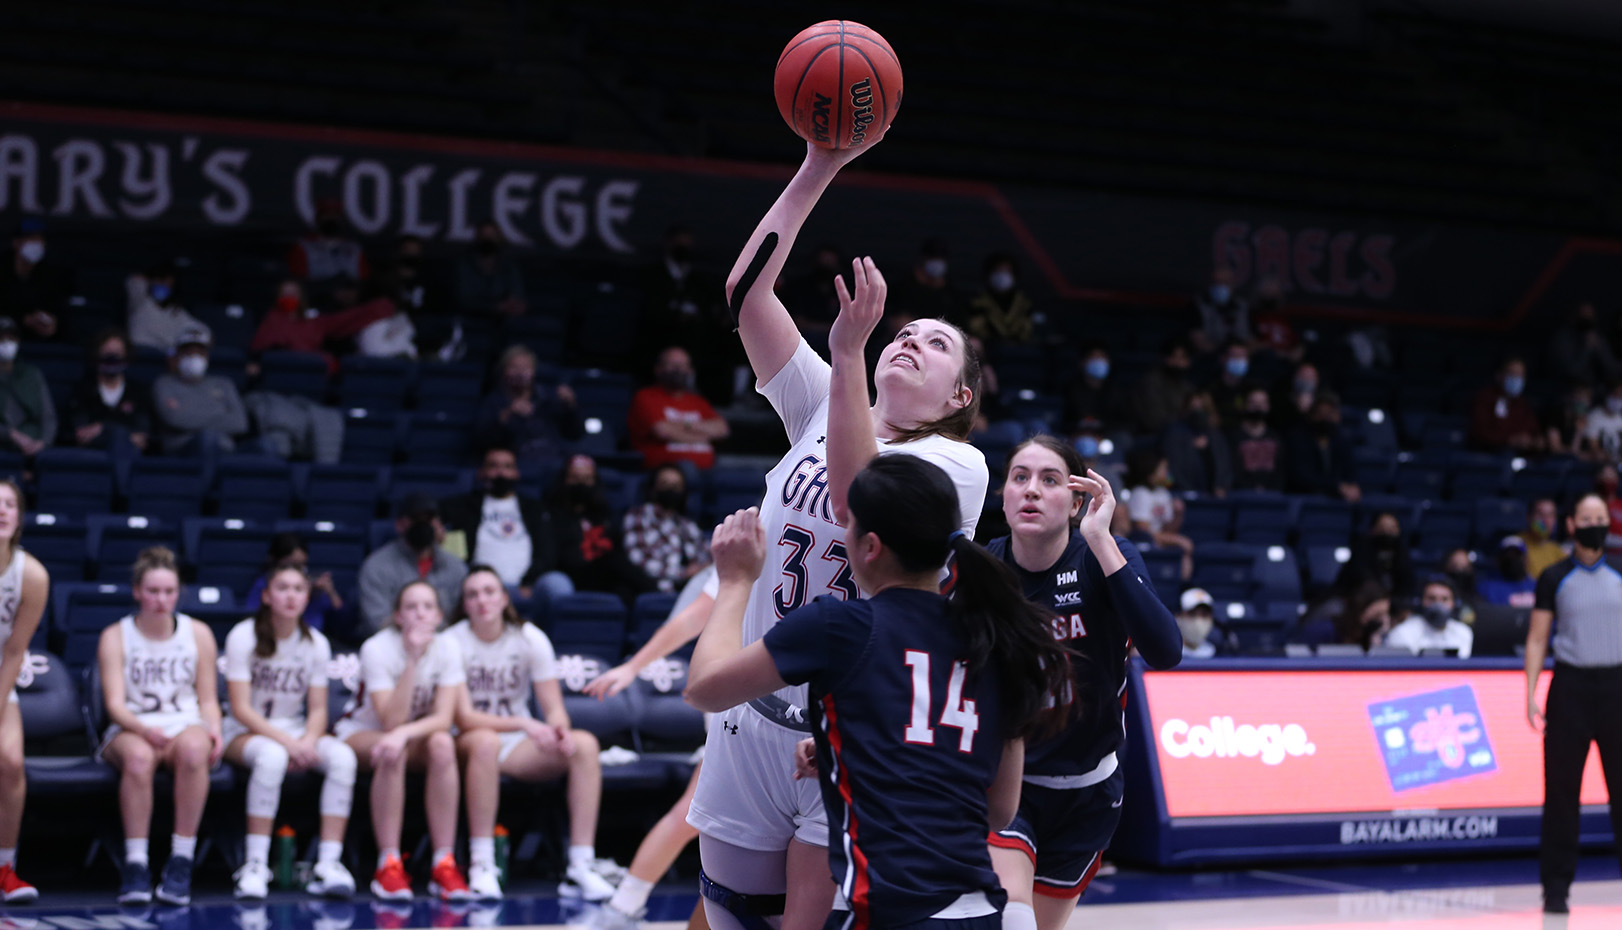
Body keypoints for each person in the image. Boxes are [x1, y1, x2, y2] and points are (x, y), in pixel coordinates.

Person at [693, 136, 992, 930]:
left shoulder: (957, 465)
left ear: (956, 395)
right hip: (751, 712)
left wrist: (853, 351)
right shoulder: (827, 394)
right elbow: (746, 295)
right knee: (725, 913)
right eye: (905, 330)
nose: (909, 340)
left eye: (933, 343)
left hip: (848, 724)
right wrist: (817, 167)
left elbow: (862, 492)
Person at [686, 460, 1067, 930]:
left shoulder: (842, 627)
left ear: (868, 547)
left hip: (890, 913)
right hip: (979, 913)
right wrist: (844, 751)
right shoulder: (995, 637)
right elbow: (998, 810)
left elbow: (705, 688)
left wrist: (736, 581)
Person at [985, 436, 1181, 930]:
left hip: (1090, 793)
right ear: (1003, 495)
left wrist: (1100, 537)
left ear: (1077, 503)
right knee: (1012, 918)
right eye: (1020, 477)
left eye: (1049, 480)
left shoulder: (1105, 555)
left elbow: (1165, 651)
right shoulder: (983, 571)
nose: (1031, 490)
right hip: (1009, 784)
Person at [447, 567, 616, 901]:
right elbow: (464, 717)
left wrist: (559, 729)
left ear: (504, 598)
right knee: (484, 741)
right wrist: (525, 724)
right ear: (464, 604)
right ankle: (482, 864)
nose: (482, 600)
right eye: (473, 594)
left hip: (514, 746)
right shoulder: (452, 641)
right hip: (465, 742)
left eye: (489, 591)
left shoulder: (529, 637)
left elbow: (553, 705)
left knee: (584, 745)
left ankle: (580, 865)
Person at [584, 566, 716, 929]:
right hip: (750, 703)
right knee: (698, 816)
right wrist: (632, 667)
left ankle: (623, 906)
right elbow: (692, 618)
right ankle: (622, 908)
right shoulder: (756, 535)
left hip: (787, 701)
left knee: (713, 826)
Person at [96, 547, 224, 906]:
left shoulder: (198, 633)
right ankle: (136, 865)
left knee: (196, 748)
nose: (161, 599)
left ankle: (181, 859)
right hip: (132, 727)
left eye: (169, 592)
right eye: (153, 591)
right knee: (138, 758)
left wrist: (214, 729)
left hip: (183, 724)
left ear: (178, 592)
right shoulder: (115, 635)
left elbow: (209, 699)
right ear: (137, 591)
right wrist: (144, 730)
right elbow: (114, 705)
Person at [221, 562, 357, 900]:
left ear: (308, 596)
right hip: (242, 730)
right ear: (266, 596)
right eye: (282, 588)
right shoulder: (243, 635)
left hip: (295, 730)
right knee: (271, 757)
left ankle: (329, 863)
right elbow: (241, 708)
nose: (291, 595)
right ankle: (254, 864)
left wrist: (308, 741)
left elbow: (319, 709)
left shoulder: (316, 643)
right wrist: (289, 744)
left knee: (343, 758)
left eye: (299, 588)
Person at [334, 581, 469, 902]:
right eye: (411, 607)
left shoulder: (449, 647)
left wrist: (403, 734)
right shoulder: (376, 648)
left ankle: (444, 862)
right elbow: (390, 721)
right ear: (397, 615)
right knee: (393, 750)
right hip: (362, 732)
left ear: (439, 615)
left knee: (442, 744)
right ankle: (389, 864)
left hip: (410, 734)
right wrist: (412, 660)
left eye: (427, 606)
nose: (420, 613)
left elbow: (443, 719)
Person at [1524, 493, 1622, 914]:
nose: (1594, 523)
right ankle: (1556, 890)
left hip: (1618, 686)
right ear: (1572, 524)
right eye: (1587, 517)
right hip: (1570, 688)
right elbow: (1537, 637)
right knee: (1562, 794)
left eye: (1601, 517)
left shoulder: (1620, 571)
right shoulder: (1554, 576)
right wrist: (1529, 691)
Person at [439, 445, 571, 601]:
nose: (501, 472)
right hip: (479, 585)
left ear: (516, 473)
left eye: (507, 467)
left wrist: (528, 583)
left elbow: (547, 553)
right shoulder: (460, 508)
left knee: (558, 584)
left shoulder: (536, 509)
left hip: (528, 587)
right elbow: (455, 554)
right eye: (493, 466)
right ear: (481, 472)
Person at [0, 480, 47, 902]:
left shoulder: (31, 574)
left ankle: (5, 868)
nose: (1, 511)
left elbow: (15, 650)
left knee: (11, 762)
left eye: (9, 504)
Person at [548, 454, 655, 603]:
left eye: (587, 479)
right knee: (612, 559)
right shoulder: (551, 515)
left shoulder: (604, 515)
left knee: (624, 591)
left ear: (595, 482)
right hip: (571, 574)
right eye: (575, 478)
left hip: (602, 575)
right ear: (565, 480)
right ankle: (658, 592)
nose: (582, 484)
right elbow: (558, 557)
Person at [358, 494, 469, 635]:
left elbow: (461, 619)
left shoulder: (456, 568)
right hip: (394, 646)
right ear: (400, 524)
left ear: (439, 525)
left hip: (442, 645)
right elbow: (376, 621)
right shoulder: (376, 566)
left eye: (428, 519)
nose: (422, 525)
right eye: (416, 519)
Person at [474, 346, 582, 468]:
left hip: (553, 461)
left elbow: (575, 434)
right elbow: (481, 442)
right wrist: (508, 414)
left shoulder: (548, 398)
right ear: (503, 371)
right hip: (513, 465)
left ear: (534, 371)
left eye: (526, 368)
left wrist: (571, 406)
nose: (520, 373)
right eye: (514, 367)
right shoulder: (493, 401)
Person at [250, 279, 398, 369]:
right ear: (277, 297)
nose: (289, 298)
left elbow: (344, 320)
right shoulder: (271, 320)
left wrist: (380, 307)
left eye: (293, 294)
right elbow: (260, 348)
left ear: (301, 297)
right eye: (285, 294)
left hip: (312, 376)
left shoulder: (313, 322)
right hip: (284, 374)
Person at [627, 347, 731, 471]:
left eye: (682, 365)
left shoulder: (697, 401)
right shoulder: (645, 396)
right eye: (672, 365)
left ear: (690, 370)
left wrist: (682, 427)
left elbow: (722, 429)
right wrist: (702, 437)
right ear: (658, 369)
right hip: (663, 471)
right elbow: (663, 431)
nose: (678, 370)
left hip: (706, 472)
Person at [152, 325, 249, 455]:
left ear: (207, 356)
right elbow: (175, 419)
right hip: (182, 449)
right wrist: (219, 415)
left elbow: (240, 423)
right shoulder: (164, 383)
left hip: (225, 449)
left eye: (199, 353)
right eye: (189, 353)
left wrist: (191, 415)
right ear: (178, 355)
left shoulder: (223, 383)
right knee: (208, 438)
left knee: (265, 445)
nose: (194, 358)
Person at [623, 464, 712, 594]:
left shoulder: (687, 525)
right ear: (653, 488)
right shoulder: (638, 516)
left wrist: (702, 568)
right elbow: (637, 559)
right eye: (665, 484)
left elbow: (707, 555)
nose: (671, 489)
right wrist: (682, 573)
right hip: (655, 587)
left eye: (676, 486)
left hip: (692, 588)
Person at [67, 329, 151, 455]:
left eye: (117, 353)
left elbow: (141, 437)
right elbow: (81, 434)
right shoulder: (83, 389)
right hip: (92, 455)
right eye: (107, 352)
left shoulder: (137, 391)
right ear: (97, 354)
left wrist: (102, 427)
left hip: (129, 453)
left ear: (127, 356)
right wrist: (124, 432)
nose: (112, 357)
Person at [244, 533, 343, 632]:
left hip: (311, 639)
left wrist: (330, 592)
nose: (291, 595)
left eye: (301, 565)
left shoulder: (315, 588)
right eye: (282, 588)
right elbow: (254, 615)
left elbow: (342, 620)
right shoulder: (263, 584)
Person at [1124, 449, 1194, 579]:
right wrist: (1174, 540)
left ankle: (1181, 587)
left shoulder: (1164, 494)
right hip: (1143, 541)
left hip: (1160, 539)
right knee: (1184, 543)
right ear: (1151, 474)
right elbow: (1141, 529)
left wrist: (1178, 514)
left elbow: (1169, 529)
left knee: (1185, 547)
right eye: (1163, 469)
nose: (1167, 473)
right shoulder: (1140, 493)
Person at [0, 217, 71, 342]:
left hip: (39, 340)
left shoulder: (51, 274)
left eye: (40, 239)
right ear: (16, 242)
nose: (37, 243)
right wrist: (25, 320)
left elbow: (57, 308)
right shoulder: (3, 269)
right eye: (31, 238)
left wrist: (52, 322)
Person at [1285, 392, 1359, 502]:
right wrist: (1336, 486)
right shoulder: (1297, 439)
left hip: (1337, 500)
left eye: (1329, 414)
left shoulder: (1342, 441)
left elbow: (1350, 471)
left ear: (1337, 416)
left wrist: (1352, 486)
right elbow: (1301, 477)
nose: (1325, 419)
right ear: (1311, 415)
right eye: (1320, 414)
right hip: (1303, 499)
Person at [288, 200, 371, 299]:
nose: (331, 220)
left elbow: (366, 281)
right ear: (318, 219)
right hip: (317, 300)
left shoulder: (354, 249)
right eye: (326, 216)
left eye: (335, 216)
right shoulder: (303, 247)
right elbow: (297, 283)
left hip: (350, 305)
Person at [0, 318, 56, 458]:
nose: (6, 344)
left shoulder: (32, 374)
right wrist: (11, 434)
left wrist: (43, 442)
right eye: (1, 339)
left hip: (34, 443)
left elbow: (48, 416)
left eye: (11, 338)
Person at [127, 262, 210, 353]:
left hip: (163, 357)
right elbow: (134, 281)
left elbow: (201, 330)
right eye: (161, 282)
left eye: (168, 284)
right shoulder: (140, 301)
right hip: (140, 354)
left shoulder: (176, 311)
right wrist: (154, 277)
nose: (163, 286)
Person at [1336, 511, 1416, 602]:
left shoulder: (1402, 553)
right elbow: (1360, 580)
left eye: (1392, 528)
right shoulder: (1361, 550)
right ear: (1373, 529)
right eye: (1383, 528)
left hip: (1391, 605)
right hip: (1355, 602)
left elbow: (1406, 585)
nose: (1387, 532)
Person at [1163, 392, 1232, 496]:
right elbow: (1173, 468)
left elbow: (1226, 467)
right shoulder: (1175, 433)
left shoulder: (1216, 436)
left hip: (1216, 496)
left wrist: (1221, 486)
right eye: (1193, 408)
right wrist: (1187, 490)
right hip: (1185, 494)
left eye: (1202, 408)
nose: (1197, 412)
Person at [1384, 577, 1474, 657]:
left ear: (1455, 604)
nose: (1438, 604)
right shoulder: (1402, 633)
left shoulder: (1463, 632)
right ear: (1420, 602)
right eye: (1432, 598)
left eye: (1445, 599)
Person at [1470, 357, 1544, 453]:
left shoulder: (1523, 404)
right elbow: (1480, 432)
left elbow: (1533, 430)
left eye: (1520, 376)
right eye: (1512, 374)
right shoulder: (1485, 398)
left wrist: (1536, 441)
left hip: (1516, 455)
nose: (1516, 380)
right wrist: (1509, 440)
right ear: (1499, 376)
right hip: (1488, 455)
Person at [964, 252, 1036, 349]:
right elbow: (977, 329)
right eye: (998, 271)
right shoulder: (978, 303)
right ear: (989, 275)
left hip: (1020, 351)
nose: (1002, 276)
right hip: (989, 352)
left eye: (1006, 271)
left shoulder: (1024, 303)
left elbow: (1026, 331)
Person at [455, 223, 527, 318]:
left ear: (498, 238)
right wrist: (493, 307)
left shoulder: (508, 266)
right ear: (477, 238)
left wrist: (512, 304)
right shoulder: (464, 265)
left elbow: (517, 294)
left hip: (504, 319)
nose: (488, 239)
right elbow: (464, 300)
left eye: (491, 236)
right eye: (484, 236)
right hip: (471, 317)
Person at [1547, 301, 1619, 389]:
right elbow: (1571, 372)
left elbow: (1613, 370)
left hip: (1594, 390)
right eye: (1584, 315)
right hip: (1566, 389)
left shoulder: (1597, 337)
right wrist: (1587, 349)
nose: (1587, 319)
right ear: (1574, 317)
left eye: (1590, 316)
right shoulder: (1562, 338)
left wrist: (1600, 350)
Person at [1129, 337, 1194, 435]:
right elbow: (1155, 419)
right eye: (1174, 357)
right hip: (1156, 431)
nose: (1178, 362)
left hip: (1181, 430)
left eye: (1183, 358)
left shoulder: (1187, 385)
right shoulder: (1151, 381)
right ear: (1165, 358)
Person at [1061, 344, 1128, 436]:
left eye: (1102, 357)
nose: (1098, 361)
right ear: (1082, 362)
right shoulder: (1070, 389)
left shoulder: (1117, 391)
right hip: (1075, 436)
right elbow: (1065, 421)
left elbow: (1122, 422)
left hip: (1108, 436)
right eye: (1093, 357)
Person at [1228, 387, 1285, 492]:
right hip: (1241, 495)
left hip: (1272, 496)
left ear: (1268, 406)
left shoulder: (1275, 437)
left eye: (1262, 403)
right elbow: (1231, 469)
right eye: (1253, 403)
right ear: (1245, 405)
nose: (1258, 407)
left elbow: (1281, 470)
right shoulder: (1233, 437)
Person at [1190, 268, 1253, 354]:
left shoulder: (1242, 306)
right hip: (1211, 356)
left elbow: (1250, 339)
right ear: (1210, 283)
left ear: (1233, 284)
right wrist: (1221, 354)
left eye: (1225, 282)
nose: (1221, 286)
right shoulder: (1198, 305)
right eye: (1218, 282)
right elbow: (1198, 340)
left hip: (1239, 355)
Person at [1479, 536, 1538, 608]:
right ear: (1498, 560)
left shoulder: (1537, 587)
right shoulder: (1486, 588)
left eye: (1517, 555)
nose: (1512, 559)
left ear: (1526, 560)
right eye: (1508, 556)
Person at [1522, 498, 1568, 580]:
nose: (1546, 520)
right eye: (1540, 514)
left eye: (1550, 515)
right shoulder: (1516, 545)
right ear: (1529, 517)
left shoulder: (1556, 549)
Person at [1578, 381, 1622, 463]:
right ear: (1608, 396)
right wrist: (1609, 458)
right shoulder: (1594, 416)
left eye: (1621, 397)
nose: (1619, 400)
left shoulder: (1620, 417)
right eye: (1616, 395)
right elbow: (1594, 447)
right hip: (1601, 463)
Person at [1176, 587, 1219, 660]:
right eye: (1192, 614)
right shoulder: (1168, 656)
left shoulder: (1217, 653)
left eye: (1204, 615)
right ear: (1178, 617)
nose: (1198, 620)